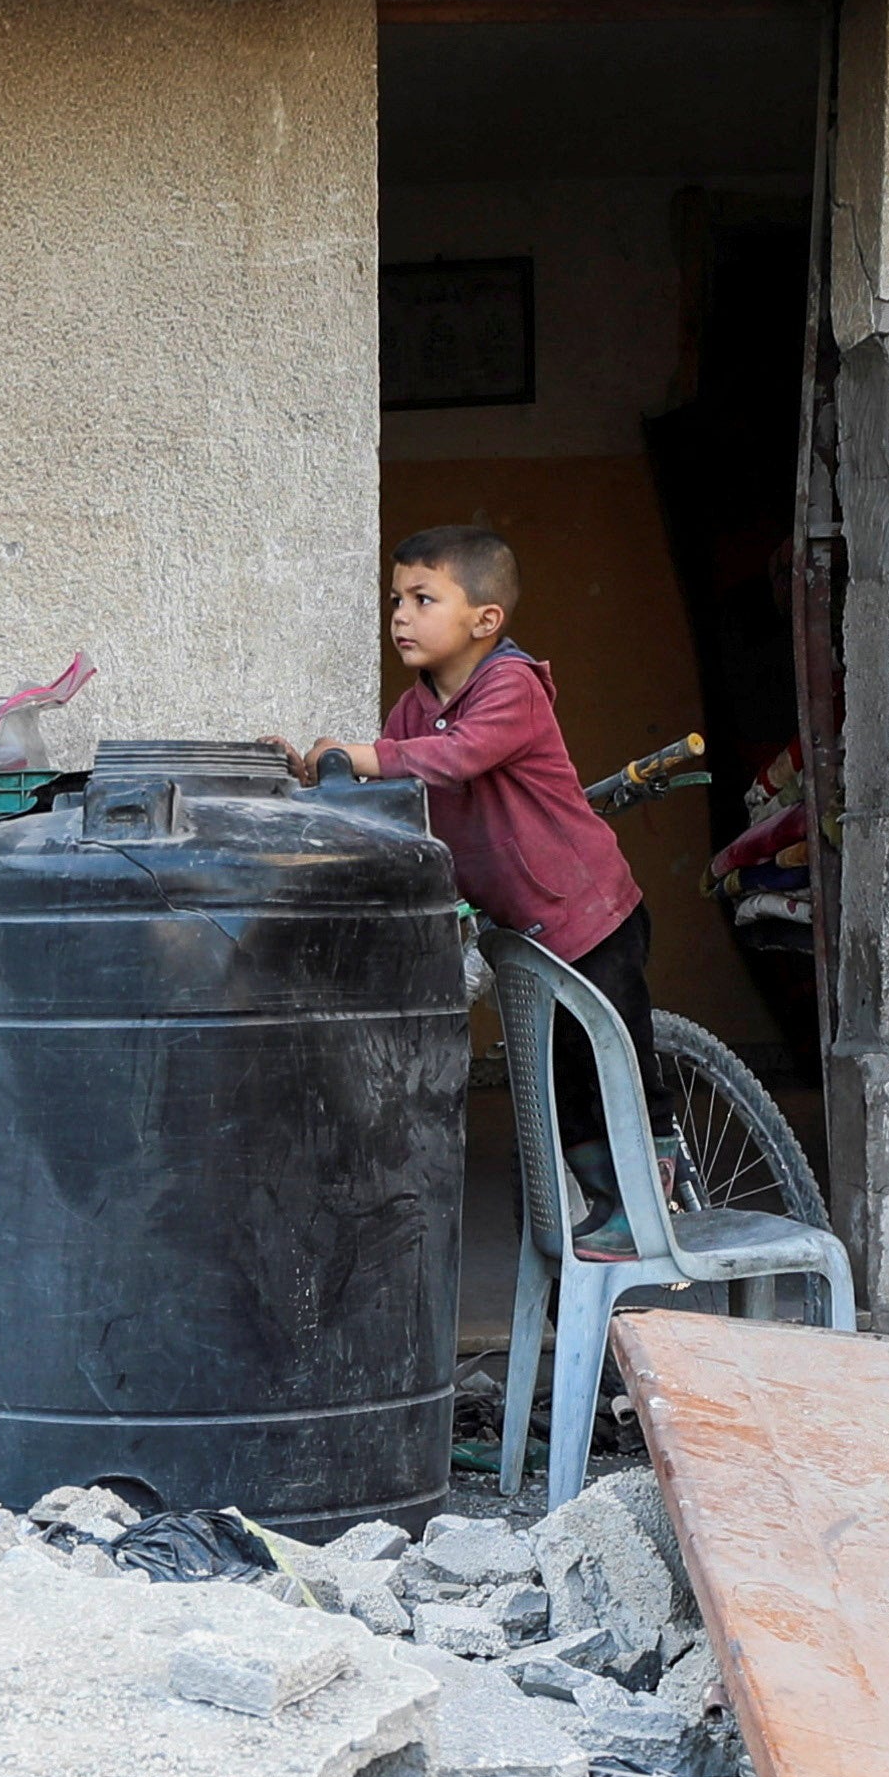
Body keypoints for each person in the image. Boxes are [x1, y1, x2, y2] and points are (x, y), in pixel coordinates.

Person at [283, 524, 654, 1243]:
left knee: (614, 1060)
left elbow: (456, 759)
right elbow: (398, 785)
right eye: (395, 598)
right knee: (556, 1082)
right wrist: (313, 778)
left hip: (589, 912)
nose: (400, 615)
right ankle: (608, 1205)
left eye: (423, 598)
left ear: (486, 620)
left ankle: (651, 1193)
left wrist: (358, 754)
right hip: (524, 931)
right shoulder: (411, 711)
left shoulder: (510, 686)